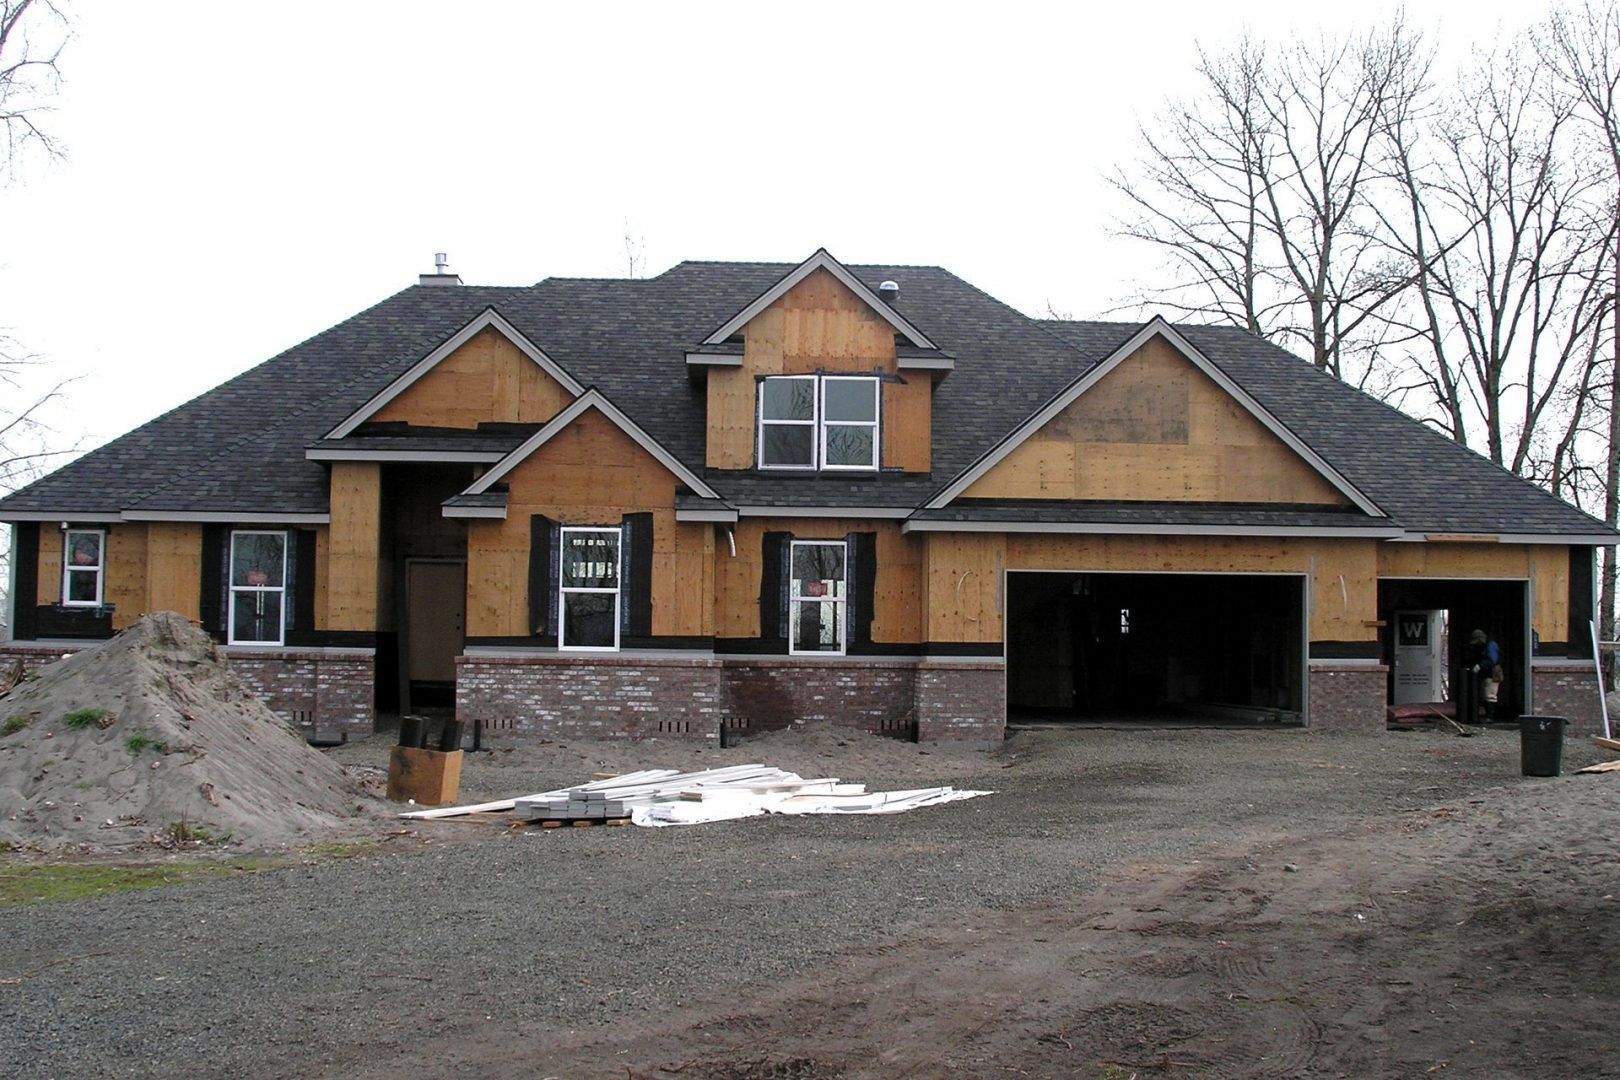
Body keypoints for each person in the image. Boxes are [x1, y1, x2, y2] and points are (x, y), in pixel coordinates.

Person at [1466, 629, 1504, 723]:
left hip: (1492, 673)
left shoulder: (1490, 646)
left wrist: (1480, 665)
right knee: (1486, 694)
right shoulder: (1487, 645)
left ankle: (1491, 717)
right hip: (1487, 673)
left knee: (1490, 695)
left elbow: (1492, 660)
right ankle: (1489, 716)